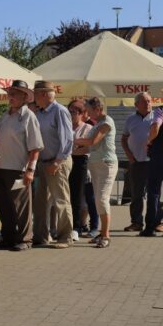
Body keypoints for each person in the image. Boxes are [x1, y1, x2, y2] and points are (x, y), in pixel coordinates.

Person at [0, 80, 43, 251]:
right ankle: (7, 237)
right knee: (3, 206)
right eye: (10, 93)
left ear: (24, 96)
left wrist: (30, 169)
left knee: (21, 207)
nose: (11, 97)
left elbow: (35, 147)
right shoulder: (5, 115)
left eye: (15, 94)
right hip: (0, 168)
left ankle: (25, 239)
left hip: (19, 169)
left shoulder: (29, 116)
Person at [33, 80, 73, 249]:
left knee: (61, 200)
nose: (33, 98)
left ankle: (65, 237)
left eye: (35, 94)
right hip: (43, 163)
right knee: (40, 202)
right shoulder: (40, 113)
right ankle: (41, 236)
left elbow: (67, 139)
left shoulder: (60, 111)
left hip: (58, 162)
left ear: (43, 94)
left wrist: (57, 162)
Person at [75, 97, 118, 248]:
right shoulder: (96, 123)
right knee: (99, 200)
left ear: (98, 109)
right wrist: (70, 152)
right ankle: (102, 232)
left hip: (106, 164)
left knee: (101, 199)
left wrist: (73, 139)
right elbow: (89, 148)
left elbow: (92, 141)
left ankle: (106, 236)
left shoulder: (106, 122)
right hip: (94, 164)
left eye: (89, 110)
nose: (86, 113)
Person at [121, 92, 153, 232]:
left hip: (154, 162)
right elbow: (123, 139)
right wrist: (130, 156)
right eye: (144, 101)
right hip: (137, 162)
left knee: (155, 194)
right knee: (136, 195)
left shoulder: (157, 117)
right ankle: (137, 222)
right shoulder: (130, 119)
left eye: (149, 101)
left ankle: (156, 222)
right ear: (136, 105)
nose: (148, 103)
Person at [67, 100, 93, 241]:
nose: (71, 114)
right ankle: (63, 226)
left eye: (74, 112)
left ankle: (76, 227)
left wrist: (71, 151)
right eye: (69, 111)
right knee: (65, 195)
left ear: (82, 114)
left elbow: (88, 148)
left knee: (77, 196)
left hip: (80, 163)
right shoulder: (65, 127)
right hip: (65, 162)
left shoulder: (88, 128)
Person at [142, 104, 163, 236]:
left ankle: (150, 227)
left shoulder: (160, 110)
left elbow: (155, 127)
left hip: (159, 156)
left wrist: (148, 141)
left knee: (154, 192)